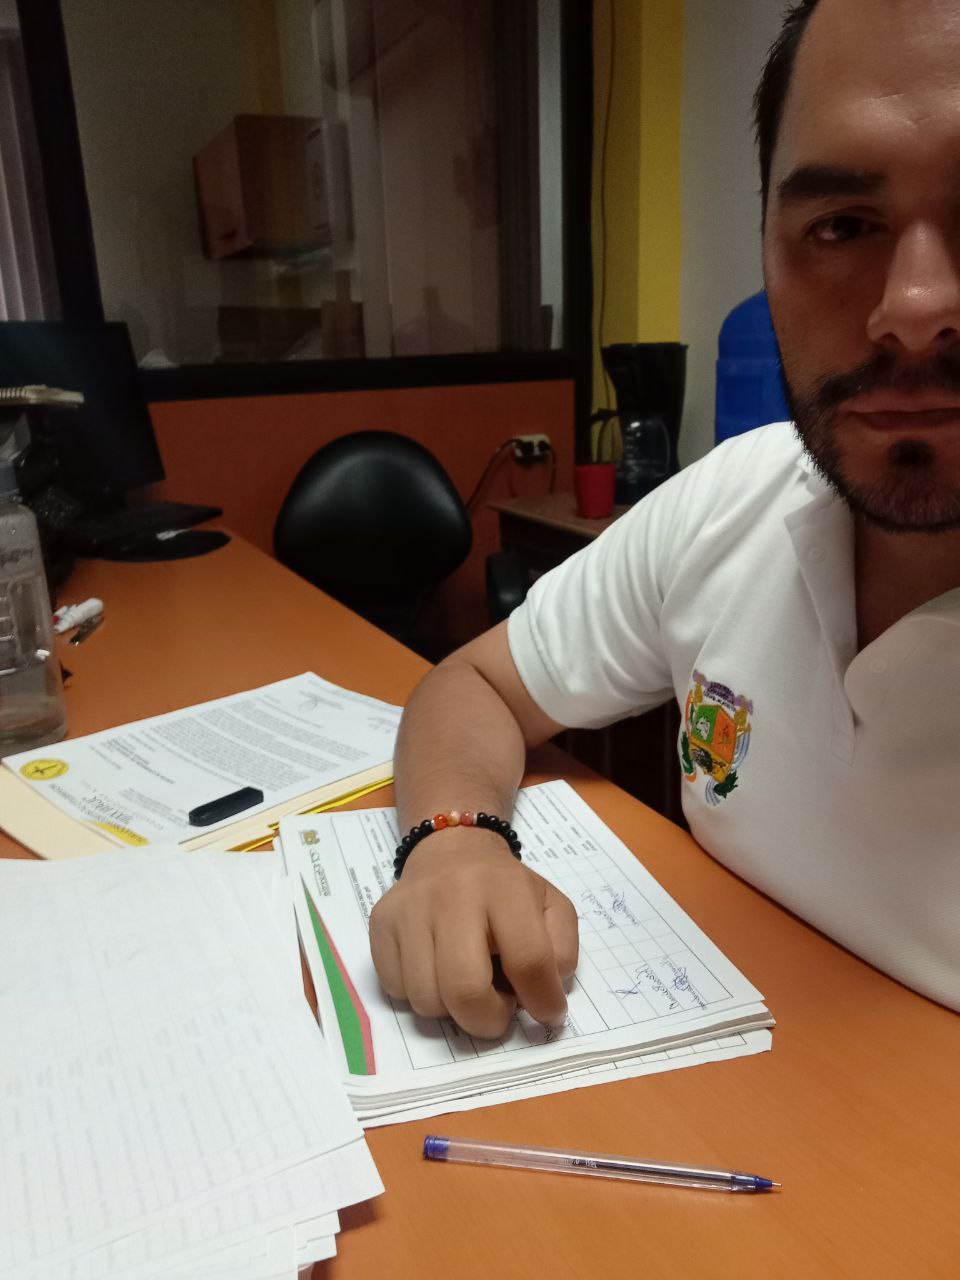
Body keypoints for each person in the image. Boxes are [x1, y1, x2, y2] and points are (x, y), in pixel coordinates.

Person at [370, 0, 960, 1037]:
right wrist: (455, 838)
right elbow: (476, 683)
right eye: (842, 227)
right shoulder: (737, 495)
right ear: (768, 251)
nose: (913, 306)